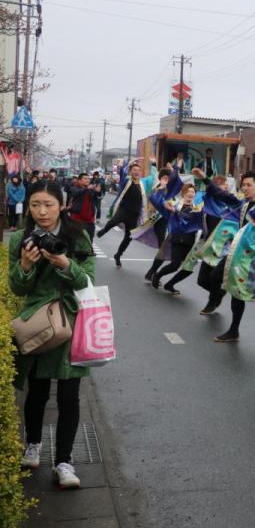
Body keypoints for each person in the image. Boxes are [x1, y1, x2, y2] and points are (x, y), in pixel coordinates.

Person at [12, 180, 96, 490]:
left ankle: (64, 461)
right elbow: (16, 288)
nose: (42, 211)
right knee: (36, 390)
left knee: (69, 395)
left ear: (62, 205)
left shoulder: (78, 235)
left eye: (48, 204)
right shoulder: (21, 239)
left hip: (71, 323)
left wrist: (65, 263)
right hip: (37, 323)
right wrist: (25, 265)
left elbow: (87, 280)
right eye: (35, 205)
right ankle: (32, 445)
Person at [200, 169, 255, 339]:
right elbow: (222, 195)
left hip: (251, 257)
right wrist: (204, 179)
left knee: (237, 293)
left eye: (249, 185)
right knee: (216, 276)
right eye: (243, 185)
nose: (245, 188)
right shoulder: (243, 204)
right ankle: (216, 299)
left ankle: (234, 329)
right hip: (237, 252)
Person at [147, 169, 206, 293]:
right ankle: (156, 276)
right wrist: (162, 189)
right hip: (177, 239)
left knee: (187, 269)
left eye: (193, 192)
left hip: (191, 242)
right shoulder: (175, 204)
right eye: (188, 192)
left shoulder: (198, 208)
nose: (190, 194)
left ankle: (169, 284)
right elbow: (155, 200)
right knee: (174, 265)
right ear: (183, 194)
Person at [95, 158, 150, 267]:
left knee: (128, 238)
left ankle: (118, 255)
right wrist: (130, 163)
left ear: (141, 172)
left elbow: (154, 179)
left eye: (138, 170)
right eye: (134, 170)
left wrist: (153, 164)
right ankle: (104, 231)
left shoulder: (143, 184)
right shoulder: (127, 181)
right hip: (124, 210)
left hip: (134, 215)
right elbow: (122, 172)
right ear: (131, 172)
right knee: (112, 222)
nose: (136, 172)